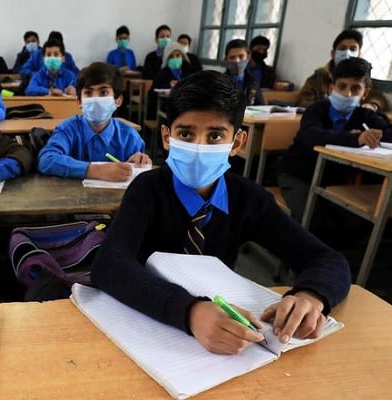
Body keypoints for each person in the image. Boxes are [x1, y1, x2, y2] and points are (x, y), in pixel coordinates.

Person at [91, 70, 351, 355]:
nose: (199, 147)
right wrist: (190, 311)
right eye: (186, 134)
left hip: (218, 336)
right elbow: (110, 264)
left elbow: (326, 259)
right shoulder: (148, 189)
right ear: (167, 136)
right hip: (145, 319)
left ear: (237, 143)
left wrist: (311, 295)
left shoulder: (248, 199)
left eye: (215, 135)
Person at [278, 57, 392, 222]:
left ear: (365, 93)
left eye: (355, 88)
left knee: (350, 219)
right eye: (342, 87)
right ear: (332, 88)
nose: (347, 94)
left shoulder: (365, 116)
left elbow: (387, 130)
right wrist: (355, 138)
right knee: (311, 216)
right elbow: (312, 135)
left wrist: (380, 134)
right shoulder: (316, 110)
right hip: (299, 173)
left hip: (335, 180)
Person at [37, 62, 150, 180]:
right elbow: (46, 160)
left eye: (103, 92)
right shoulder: (67, 129)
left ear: (117, 100)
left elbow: (139, 177)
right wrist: (96, 170)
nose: (95, 99)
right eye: (88, 93)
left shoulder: (130, 137)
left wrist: (137, 165)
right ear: (79, 102)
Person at [296, 29, 387, 111]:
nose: (347, 53)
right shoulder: (319, 76)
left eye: (352, 49)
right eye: (342, 48)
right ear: (333, 53)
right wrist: (331, 107)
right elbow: (302, 101)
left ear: (359, 54)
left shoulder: (362, 77)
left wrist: (373, 105)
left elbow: (378, 98)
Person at [146, 42, 197, 120]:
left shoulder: (189, 69)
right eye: (171, 57)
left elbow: (195, 85)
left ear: (182, 56)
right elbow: (154, 90)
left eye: (177, 55)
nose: (175, 59)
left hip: (187, 104)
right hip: (167, 105)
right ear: (167, 58)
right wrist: (169, 85)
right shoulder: (163, 72)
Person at [224, 39, 264, 106]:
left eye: (241, 56)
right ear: (226, 60)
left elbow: (261, 107)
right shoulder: (219, 83)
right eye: (232, 57)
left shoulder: (253, 82)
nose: (237, 61)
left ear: (248, 57)